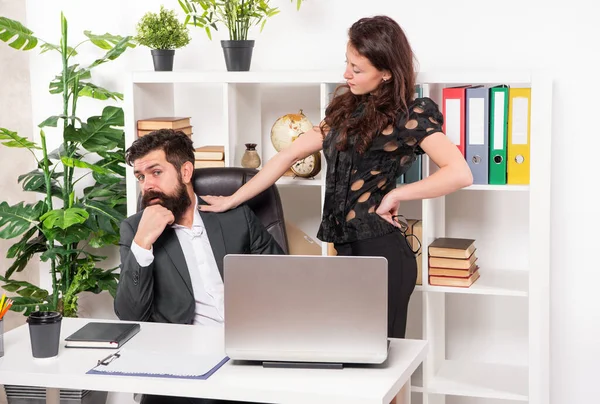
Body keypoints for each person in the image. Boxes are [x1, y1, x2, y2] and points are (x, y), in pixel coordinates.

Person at [198, 15, 473, 342]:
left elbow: (460, 173)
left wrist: (397, 195)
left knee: (384, 359)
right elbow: (287, 156)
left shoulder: (410, 115)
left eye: (357, 69)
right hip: (344, 252)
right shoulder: (345, 111)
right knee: (351, 352)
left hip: (383, 253)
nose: (346, 74)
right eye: (347, 63)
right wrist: (232, 198)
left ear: (386, 72)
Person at [114, 129, 283, 404]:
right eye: (141, 177)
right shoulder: (135, 229)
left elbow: (284, 280)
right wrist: (143, 243)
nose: (147, 185)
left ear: (186, 171)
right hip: (183, 362)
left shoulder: (236, 217)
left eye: (156, 172)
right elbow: (130, 315)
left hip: (249, 352)